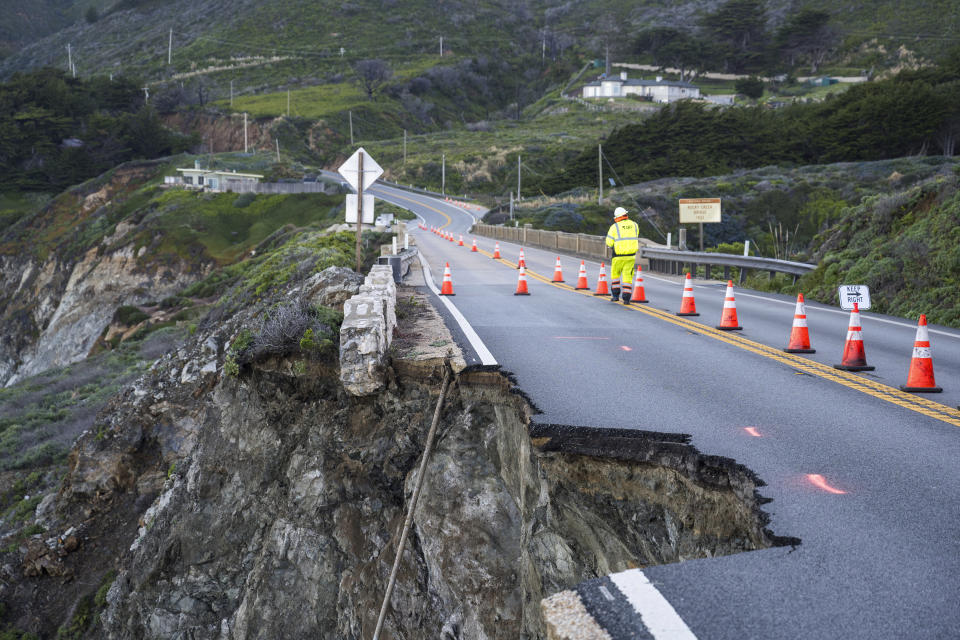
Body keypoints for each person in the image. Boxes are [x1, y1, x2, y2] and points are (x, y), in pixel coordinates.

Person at [604, 206, 639, 303]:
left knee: (615, 275)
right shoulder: (635, 225)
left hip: (618, 256)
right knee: (628, 276)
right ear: (625, 214)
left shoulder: (614, 227)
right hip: (631, 256)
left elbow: (609, 243)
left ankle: (615, 296)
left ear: (616, 217)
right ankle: (626, 298)